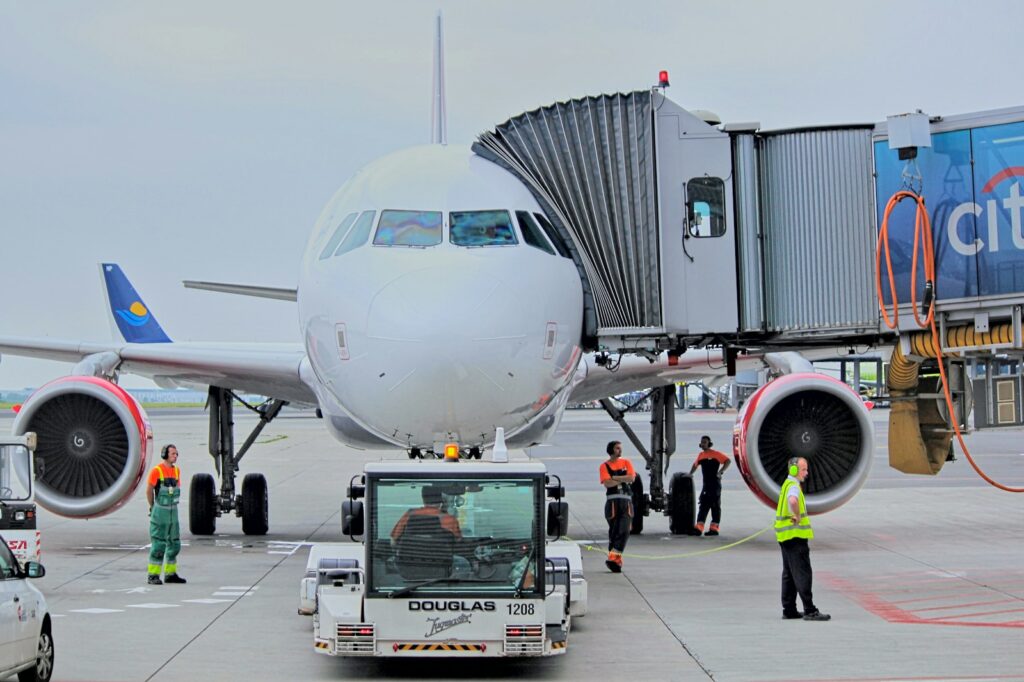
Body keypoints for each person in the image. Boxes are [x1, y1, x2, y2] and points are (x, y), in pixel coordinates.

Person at [776, 457, 830, 621]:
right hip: (795, 535)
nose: (807, 473)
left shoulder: (786, 484)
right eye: (804, 469)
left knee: (789, 573)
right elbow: (792, 500)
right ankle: (810, 609)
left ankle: (789, 609)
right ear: (794, 470)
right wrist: (797, 515)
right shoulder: (793, 486)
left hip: (784, 535)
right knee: (802, 572)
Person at [146, 444, 186, 585]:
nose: (175, 456)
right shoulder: (156, 471)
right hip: (160, 511)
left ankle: (170, 574)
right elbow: (149, 490)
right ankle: (153, 575)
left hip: (172, 511)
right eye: (173, 454)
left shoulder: (176, 471)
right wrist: (153, 507)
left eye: (176, 454)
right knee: (158, 545)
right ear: (165, 455)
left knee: (174, 544)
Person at [598, 440, 635, 573]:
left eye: (620, 448)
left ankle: (613, 557)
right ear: (611, 450)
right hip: (612, 502)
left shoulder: (626, 462)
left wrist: (615, 477)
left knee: (624, 530)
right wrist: (621, 478)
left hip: (626, 502)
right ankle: (615, 562)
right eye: (617, 448)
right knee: (614, 532)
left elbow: (631, 478)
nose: (620, 450)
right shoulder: (604, 466)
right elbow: (607, 483)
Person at [689, 435, 731, 535]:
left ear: (709, 443)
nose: (703, 444)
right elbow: (695, 465)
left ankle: (714, 529)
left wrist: (721, 472)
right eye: (702, 442)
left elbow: (727, 461)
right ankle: (699, 528)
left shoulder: (716, 454)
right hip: (706, 484)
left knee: (715, 505)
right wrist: (690, 474)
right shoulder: (701, 455)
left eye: (705, 442)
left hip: (715, 484)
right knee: (703, 504)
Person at [391, 486, 462, 541]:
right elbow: (457, 543)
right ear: (441, 499)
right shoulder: (451, 520)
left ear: (423, 498)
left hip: (410, 558)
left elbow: (394, 540)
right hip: (442, 559)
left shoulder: (410, 514)